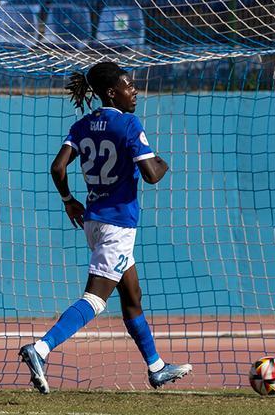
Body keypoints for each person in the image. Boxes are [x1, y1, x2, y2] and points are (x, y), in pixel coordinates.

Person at [19, 62, 192, 394]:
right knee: (95, 299)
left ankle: (156, 367)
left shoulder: (83, 125)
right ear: (112, 92)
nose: (134, 90)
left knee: (132, 295)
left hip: (94, 220)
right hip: (117, 224)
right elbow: (152, 175)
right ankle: (40, 349)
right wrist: (163, 162)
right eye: (129, 85)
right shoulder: (128, 124)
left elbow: (57, 167)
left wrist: (69, 199)